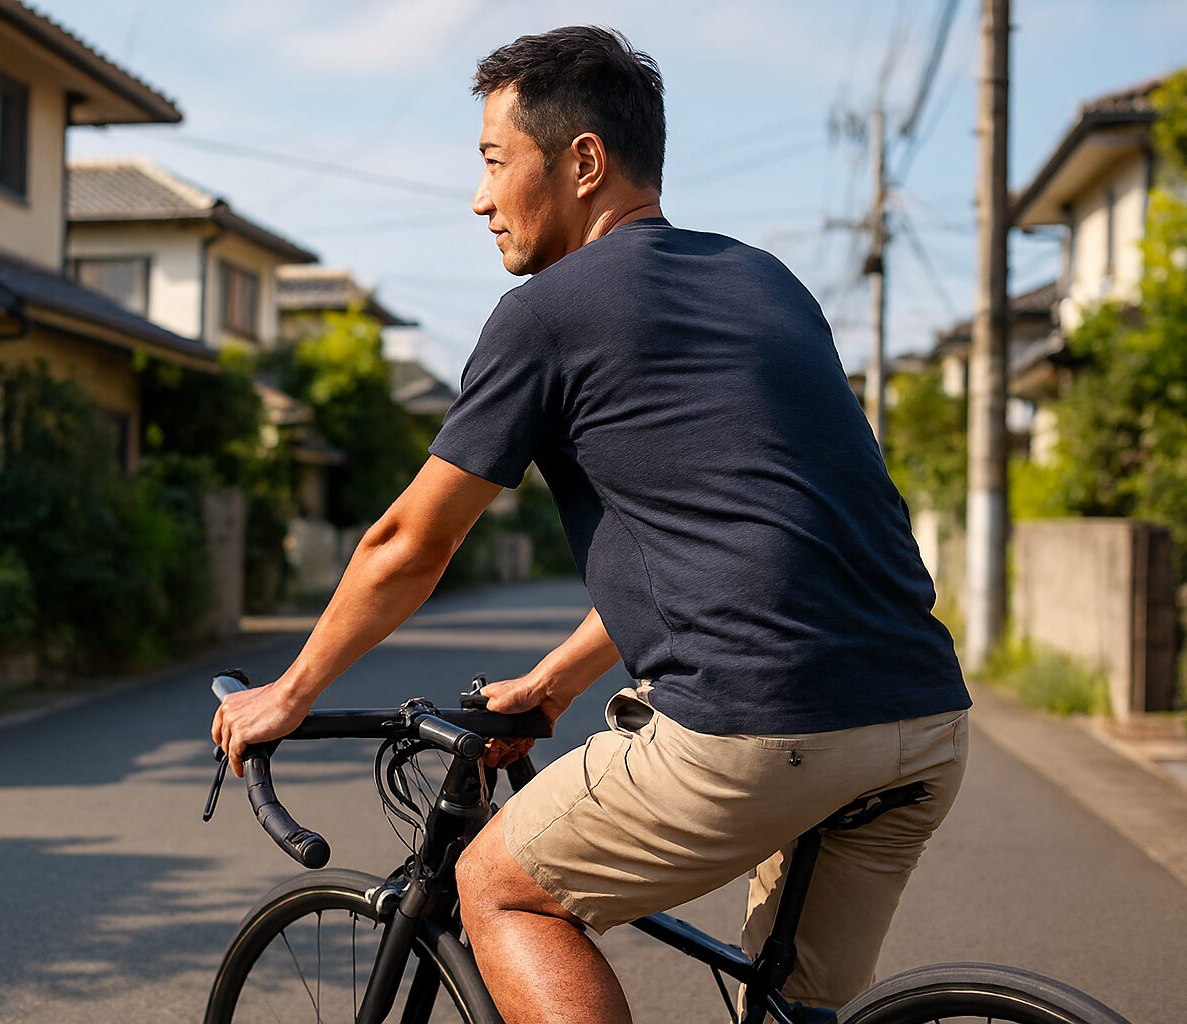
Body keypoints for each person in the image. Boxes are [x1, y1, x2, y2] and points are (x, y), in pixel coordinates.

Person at [212, 25, 971, 1024]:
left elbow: (411, 540)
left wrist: (291, 692)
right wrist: (554, 682)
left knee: (497, 885)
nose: (480, 198)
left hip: (759, 722)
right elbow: (735, 539)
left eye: (493, 162)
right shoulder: (765, 282)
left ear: (582, 161)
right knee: (790, 1007)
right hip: (924, 719)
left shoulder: (547, 313)